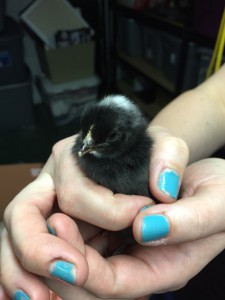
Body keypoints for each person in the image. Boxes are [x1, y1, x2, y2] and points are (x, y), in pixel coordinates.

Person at [1, 63, 225, 300]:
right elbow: (217, 100)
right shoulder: (100, 148)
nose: (84, 145)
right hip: (161, 263)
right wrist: (168, 153)